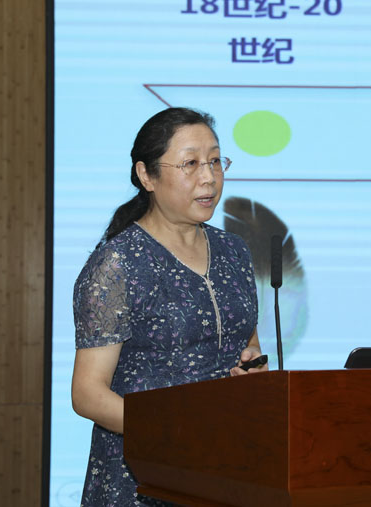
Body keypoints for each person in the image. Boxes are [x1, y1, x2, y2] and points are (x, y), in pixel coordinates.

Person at [71, 107, 267, 506]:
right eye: (190, 164)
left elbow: (249, 346)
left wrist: (252, 371)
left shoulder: (234, 250)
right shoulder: (118, 264)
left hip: (227, 463)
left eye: (215, 161)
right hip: (144, 474)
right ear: (146, 176)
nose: (209, 177)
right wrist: (174, 433)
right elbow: (87, 394)